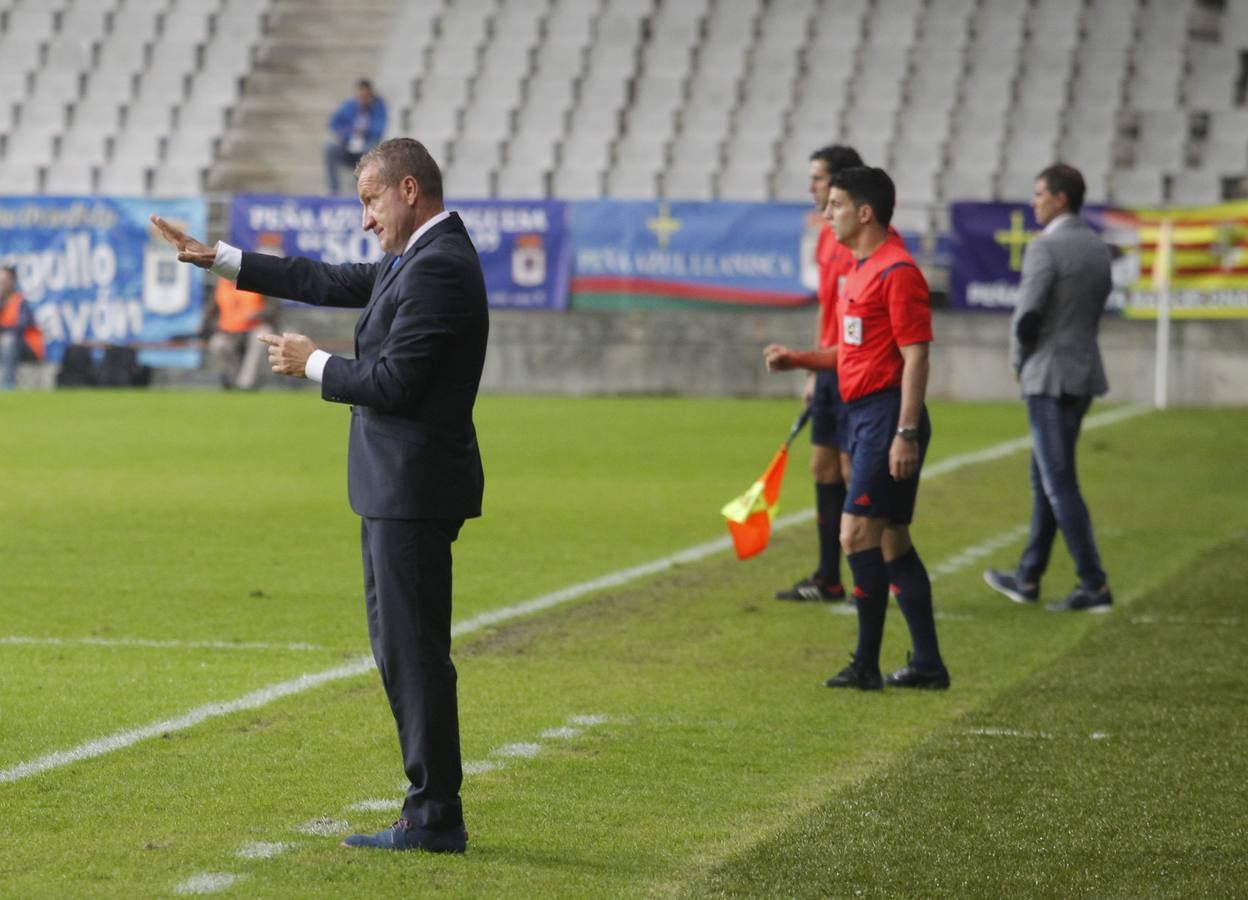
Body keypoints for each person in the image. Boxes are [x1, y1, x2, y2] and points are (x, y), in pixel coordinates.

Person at [151, 137, 488, 852]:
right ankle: (430, 808)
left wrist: (315, 363)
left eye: (369, 201)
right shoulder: (418, 255)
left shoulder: (441, 267)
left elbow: (397, 383)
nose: (365, 218)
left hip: (413, 487)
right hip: (397, 485)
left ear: (406, 190)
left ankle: (434, 815)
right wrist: (222, 258)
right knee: (402, 649)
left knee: (414, 652)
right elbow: (330, 279)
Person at [765, 166, 949, 691]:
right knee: (890, 542)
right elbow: (853, 349)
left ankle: (866, 666)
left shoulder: (897, 272)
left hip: (887, 416)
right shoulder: (861, 269)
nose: (827, 213)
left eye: (836, 204)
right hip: (864, 414)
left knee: (856, 533)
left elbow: (916, 358)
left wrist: (906, 432)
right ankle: (928, 665)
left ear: (864, 212)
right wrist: (798, 358)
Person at [983, 163, 1114, 613]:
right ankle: (1028, 577)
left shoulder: (1046, 248)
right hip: (1084, 371)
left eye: (1039, 194)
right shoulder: (1098, 247)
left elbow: (1029, 317)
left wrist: (1020, 364)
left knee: (1057, 482)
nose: (1033, 201)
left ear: (1060, 199)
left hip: (1048, 374)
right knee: (1045, 478)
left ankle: (1093, 583)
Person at [772, 145, 863, 605]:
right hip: (828, 368)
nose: (811, 186)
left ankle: (872, 577)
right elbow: (829, 308)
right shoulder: (828, 234)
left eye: (818, 178)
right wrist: (812, 371)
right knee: (822, 466)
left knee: (854, 470)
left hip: (854, 368)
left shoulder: (860, 239)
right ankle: (829, 578)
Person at [204, 276, 279, 390]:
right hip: (230, 330)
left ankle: (246, 384)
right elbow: (212, 310)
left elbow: (273, 308)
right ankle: (232, 382)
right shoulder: (221, 284)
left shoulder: (260, 279)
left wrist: (257, 315)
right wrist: (208, 325)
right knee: (217, 344)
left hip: (256, 327)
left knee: (261, 338)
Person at [324, 79, 388, 194]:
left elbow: (379, 129)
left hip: (366, 148)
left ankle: (363, 189)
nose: (363, 100)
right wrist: (348, 133)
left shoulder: (379, 107)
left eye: (366, 97)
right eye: (360, 97)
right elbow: (333, 123)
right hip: (348, 147)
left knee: (371, 151)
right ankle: (334, 190)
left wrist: (365, 131)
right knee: (329, 148)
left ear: (371, 96)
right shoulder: (349, 106)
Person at [0, 266, 43, 390]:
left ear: (12, 282)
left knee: (7, 341)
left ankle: (7, 385)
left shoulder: (20, 301)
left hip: (28, 346)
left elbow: (20, 328)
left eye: (3, 281)